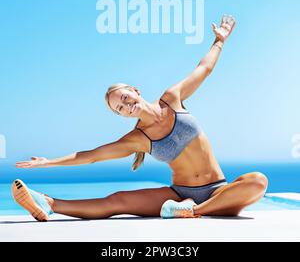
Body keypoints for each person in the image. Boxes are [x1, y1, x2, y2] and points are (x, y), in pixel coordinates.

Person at [13, 15, 268, 221]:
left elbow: (204, 69)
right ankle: (50, 204)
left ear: (135, 91)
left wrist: (219, 41)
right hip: (178, 195)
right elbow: (90, 155)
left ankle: (195, 210)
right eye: (119, 109)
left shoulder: (172, 98)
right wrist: (48, 163)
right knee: (117, 200)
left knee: (257, 181)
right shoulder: (138, 138)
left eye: (124, 98)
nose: (126, 106)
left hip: (218, 190)